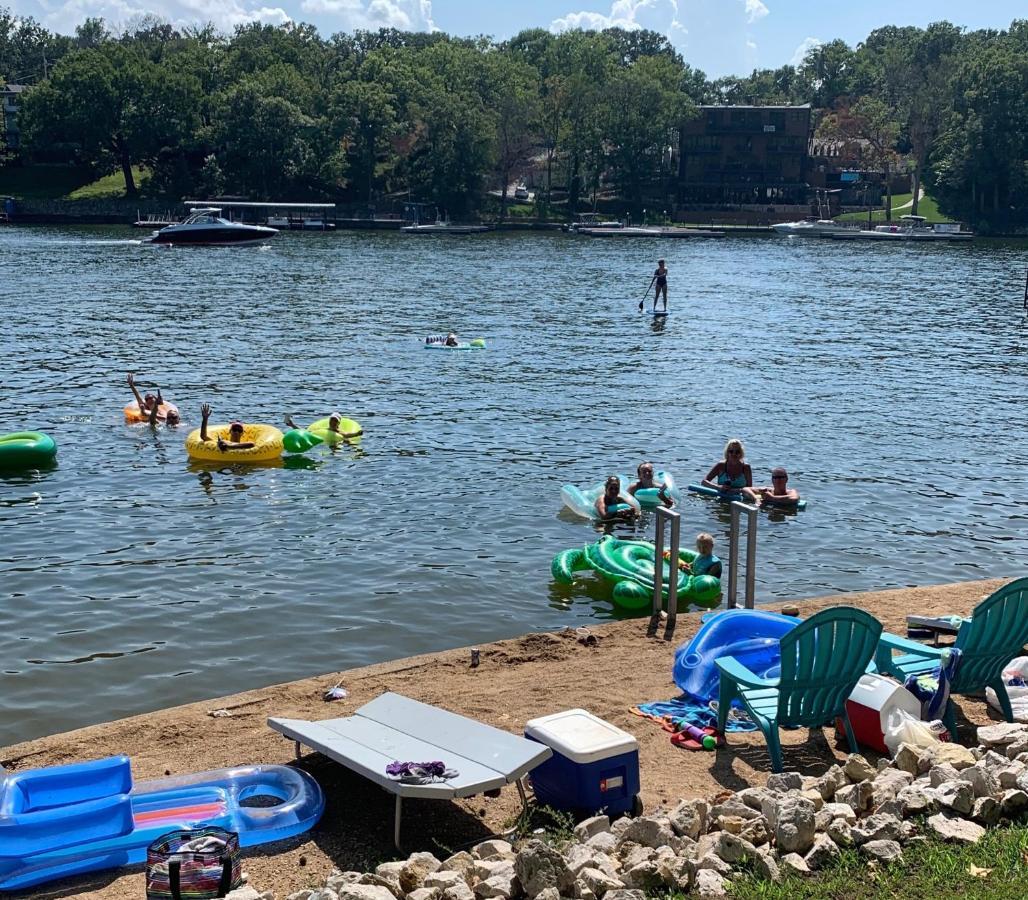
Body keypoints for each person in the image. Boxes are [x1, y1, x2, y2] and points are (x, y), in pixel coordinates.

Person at [285, 412, 362, 439]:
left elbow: (346, 435)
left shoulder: (338, 432)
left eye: (335, 421)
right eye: (332, 420)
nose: (333, 422)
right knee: (306, 433)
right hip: (322, 441)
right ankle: (290, 424)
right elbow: (307, 433)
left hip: (334, 444)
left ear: (338, 423)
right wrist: (293, 425)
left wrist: (356, 434)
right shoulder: (324, 429)